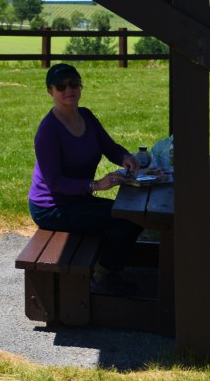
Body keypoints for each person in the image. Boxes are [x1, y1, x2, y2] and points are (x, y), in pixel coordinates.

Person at [28, 63, 144, 294]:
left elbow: (108, 146)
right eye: (61, 86)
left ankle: (108, 268)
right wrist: (96, 185)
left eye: (74, 84)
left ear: (80, 87)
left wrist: (125, 157)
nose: (68, 89)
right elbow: (55, 183)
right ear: (50, 91)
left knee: (132, 216)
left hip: (78, 200)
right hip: (52, 207)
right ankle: (102, 278)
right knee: (125, 222)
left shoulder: (86, 116)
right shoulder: (48, 131)